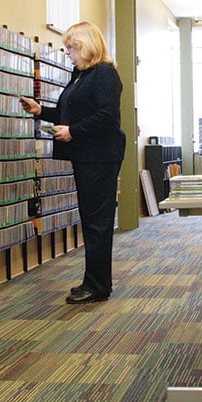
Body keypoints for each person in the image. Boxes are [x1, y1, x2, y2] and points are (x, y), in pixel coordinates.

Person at [19, 21, 126, 304]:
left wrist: (73, 131)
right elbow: (71, 112)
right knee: (91, 220)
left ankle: (98, 286)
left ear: (85, 45)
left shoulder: (104, 73)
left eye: (71, 47)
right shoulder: (80, 74)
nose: (67, 52)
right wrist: (42, 110)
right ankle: (93, 281)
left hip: (100, 157)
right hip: (86, 156)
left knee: (97, 222)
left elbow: (107, 117)